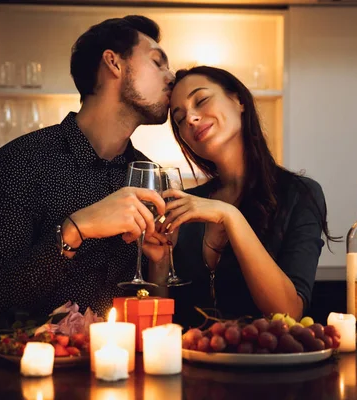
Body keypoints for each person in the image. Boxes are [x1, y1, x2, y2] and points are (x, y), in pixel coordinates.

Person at [0, 15, 175, 325]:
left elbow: (156, 316)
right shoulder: (22, 161)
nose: (171, 76)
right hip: (37, 367)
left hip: (126, 369)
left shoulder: (148, 176)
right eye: (158, 63)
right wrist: (74, 230)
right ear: (113, 63)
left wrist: (160, 263)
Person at [146, 66, 340, 329]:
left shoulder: (299, 194)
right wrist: (159, 264)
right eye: (179, 119)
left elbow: (289, 313)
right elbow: (160, 328)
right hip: (191, 365)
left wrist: (230, 216)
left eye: (201, 100)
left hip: (265, 366)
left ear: (238, 100)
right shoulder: (186, 207)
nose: (190, 118)